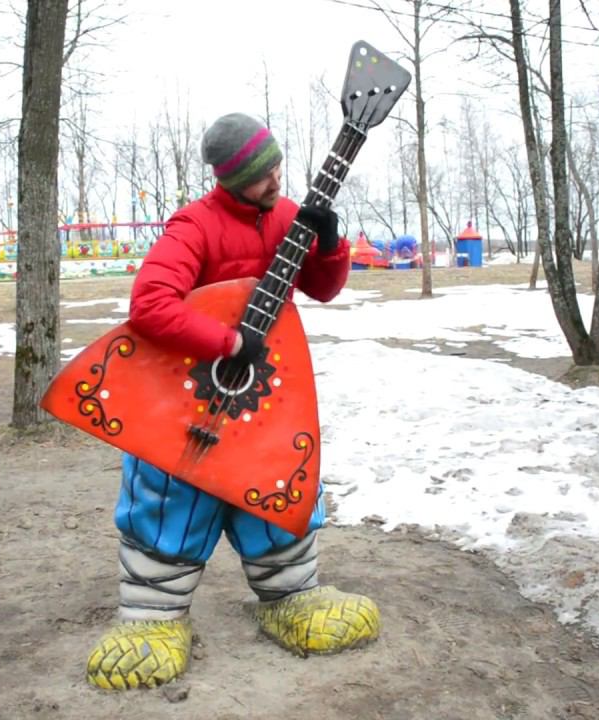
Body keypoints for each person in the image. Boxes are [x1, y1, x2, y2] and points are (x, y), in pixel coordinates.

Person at [85, 113, 380, 690]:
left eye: (275, 168)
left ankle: (289, 595)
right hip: (189, 393)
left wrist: (330, 243)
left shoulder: (288, 216)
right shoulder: (193, 227)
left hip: (265, 393)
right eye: (260, 175)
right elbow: (150, 305)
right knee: (172, 492)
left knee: (278, 479)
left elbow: (323, 287)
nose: (274, 182)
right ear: (229, 178)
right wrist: (227, 341)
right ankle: (154, 617)